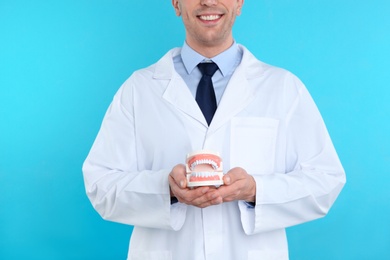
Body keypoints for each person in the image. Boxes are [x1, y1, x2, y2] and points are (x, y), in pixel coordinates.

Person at [82, 0, 346, 259]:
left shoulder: (283, 88)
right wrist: (167, 189)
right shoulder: (139, 89)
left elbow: (325, 181)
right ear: (176, 4)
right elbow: (100, 184)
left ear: (240, 3)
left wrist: (255, 190)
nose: (208, 1)